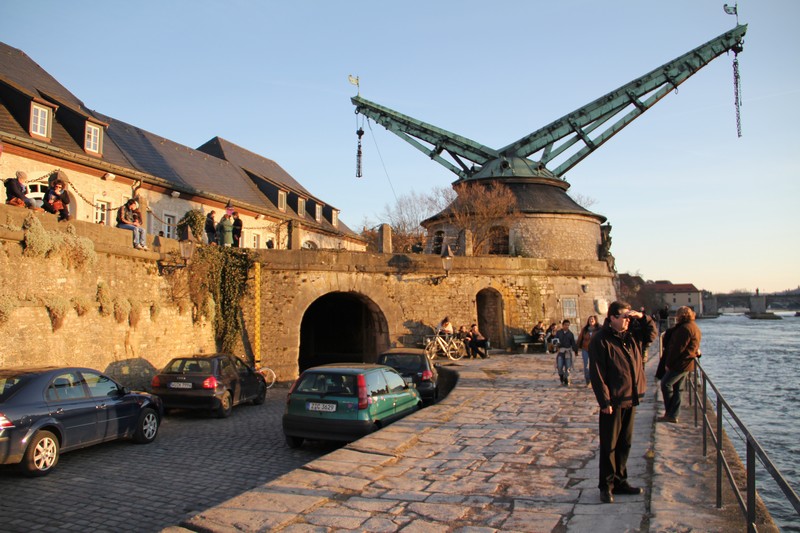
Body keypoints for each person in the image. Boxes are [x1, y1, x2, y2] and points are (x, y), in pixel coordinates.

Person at [588, 301, 648, 504]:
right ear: (612, 317)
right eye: (624, 317)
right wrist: (604, 401)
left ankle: (621, 481)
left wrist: (642, 317)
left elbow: (652, 333)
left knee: (625, 443)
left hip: (630, 397)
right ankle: (606, 486)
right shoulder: (600, 340)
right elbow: (597, 373)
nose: (627, 321)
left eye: (629, 318)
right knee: (609, 445)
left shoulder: (631, 337)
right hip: (613, 401)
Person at [658, 306, 702, 424]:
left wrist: (668, 363)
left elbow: (677, 349)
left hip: (680, 363)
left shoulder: (685, 329)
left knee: (666, 384)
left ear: (681, 316)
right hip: (687, 363)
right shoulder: (694, 327)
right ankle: (673, 414)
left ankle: (671, 413)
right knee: (678, 388)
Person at [577, 315, 599, 386]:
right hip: (585, 349)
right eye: (590, 320)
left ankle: (595, 380)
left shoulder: (599, 329)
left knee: (595, 366)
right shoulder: (585, 329)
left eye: (592, 319)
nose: (591, 321)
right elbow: (580, 338)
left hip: (595, 350)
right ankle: (588, 380)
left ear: (595, 321)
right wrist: (576, 348)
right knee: (586, 365)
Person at [555, 319, 578, 386]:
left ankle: (566, 379)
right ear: (563, 325)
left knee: (568, 367)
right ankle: (561, 378)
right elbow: (555, 341)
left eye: (568, 325)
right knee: (559, 366)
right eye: (565, 325)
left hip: (568, 352)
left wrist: (575, 351)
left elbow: (573, 343)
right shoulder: (559, 333)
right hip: (561, 351)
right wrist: (556, 346)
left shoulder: (570, 334)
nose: (567, 326)